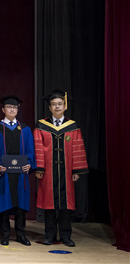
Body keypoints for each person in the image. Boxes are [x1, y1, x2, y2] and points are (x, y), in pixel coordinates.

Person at [34, 89, 88, 247]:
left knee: (66, 205)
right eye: (54, 104)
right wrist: (39, 168)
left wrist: (76, 170)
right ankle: (49, 235)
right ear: (49, 108)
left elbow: (77, 149)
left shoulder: (72, 127)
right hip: (48, 172)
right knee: (49, 205)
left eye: (60, 104)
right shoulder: (41, 126)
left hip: (67, 172)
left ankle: (66, 236)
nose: (57, 107)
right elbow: (38, 148)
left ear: (65, 106)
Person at [0, 95, 36, 246]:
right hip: (4, 174)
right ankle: (4, 235)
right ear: (3, 109)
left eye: (15, 107)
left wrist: (29, 164)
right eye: (9, 107)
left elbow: (30, 150)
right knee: (4, 204)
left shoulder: (25, 129)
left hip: (20, 173)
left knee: (20, 205)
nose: (12, 110)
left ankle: (21, 234)